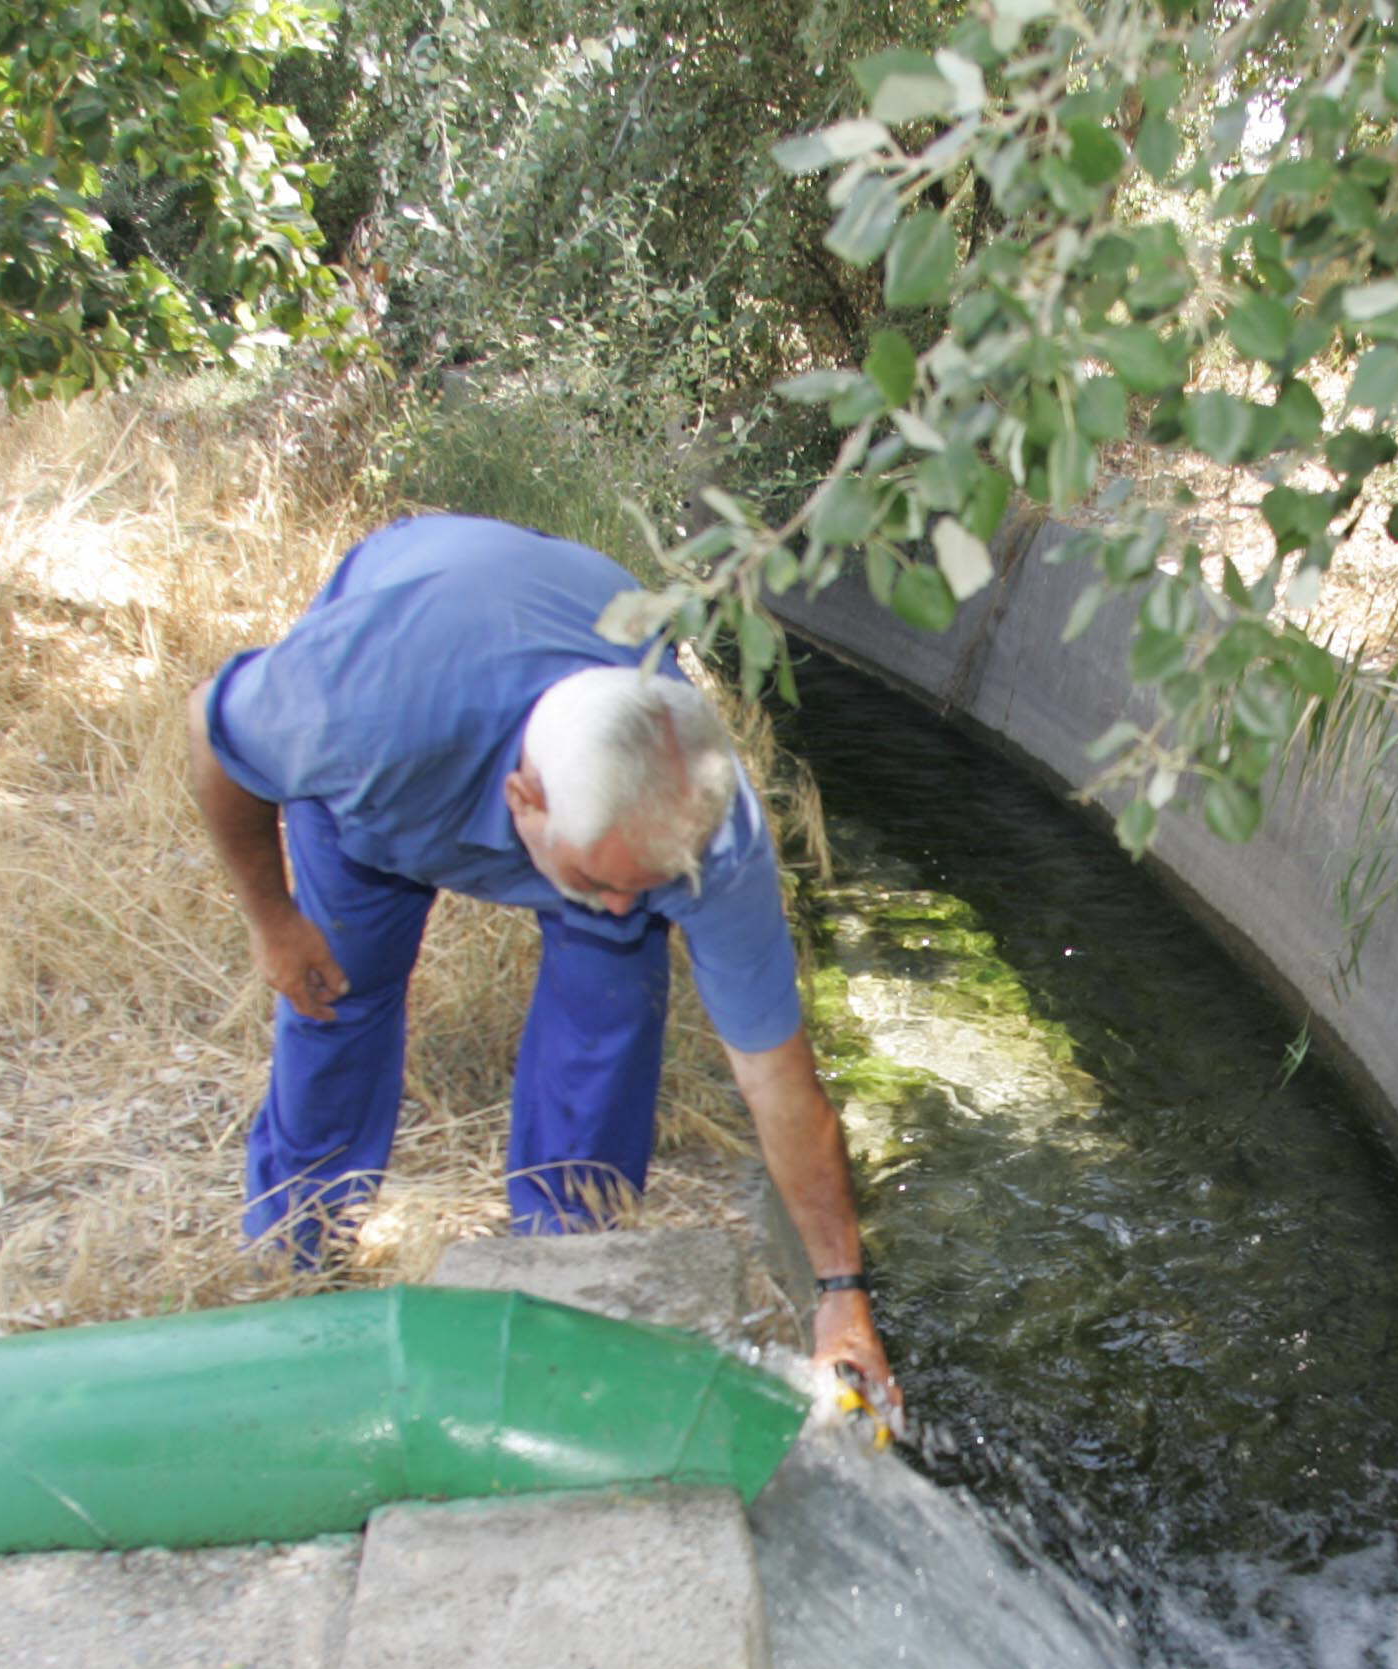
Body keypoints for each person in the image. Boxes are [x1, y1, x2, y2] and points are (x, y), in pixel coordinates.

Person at [185, 512, 896, 1411]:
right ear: (524, 803)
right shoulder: (357, 714)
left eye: (649, 886)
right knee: (337, 997)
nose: (627, 907)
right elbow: (214, 734)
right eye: (604, 881)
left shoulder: (707, 834)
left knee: (607, 1006)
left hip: (578, 715)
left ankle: (563, 1270)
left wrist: (842, 1295)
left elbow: (780, 1083)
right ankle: (294, 1248)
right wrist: (272, 916)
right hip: (405, 749)